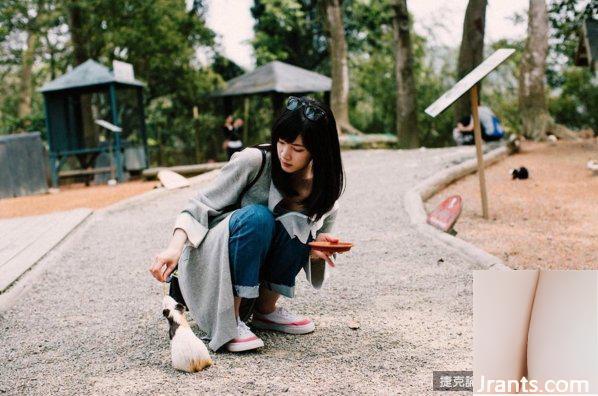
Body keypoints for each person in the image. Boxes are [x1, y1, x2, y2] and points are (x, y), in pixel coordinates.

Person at [150, 96, 345, 353]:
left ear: (317, 151)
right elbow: (198, 205)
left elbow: (309, 246)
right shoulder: (254, 161)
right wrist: (174, 249)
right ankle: (231, 322)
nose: (285, 154)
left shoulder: (325, 192)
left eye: (297, 149)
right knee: (258, 217)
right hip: (215, 264)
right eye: (282, 142)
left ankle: (265, 311)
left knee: (297, 223)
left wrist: (316, 253)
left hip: (255, 271)